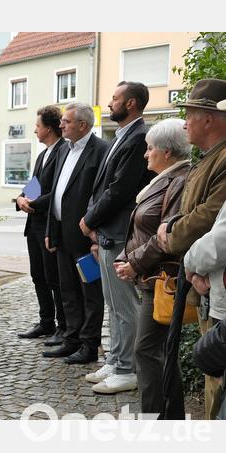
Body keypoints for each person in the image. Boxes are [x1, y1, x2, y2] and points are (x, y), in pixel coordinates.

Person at [157, 78, 226, 419]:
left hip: (214, 281)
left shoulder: (223, 159)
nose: (185, 121)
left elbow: (209, 220)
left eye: (190, 113)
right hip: (204, 278)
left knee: (216, 377)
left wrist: (173, 238)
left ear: (210, 118)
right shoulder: (210, 157)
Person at [112, 118, 190, 414]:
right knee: (157, 351)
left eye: (150, 148)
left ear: (166, 152)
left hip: (162, 278)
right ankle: (165, 418)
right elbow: (143, 230)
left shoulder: (179, 180)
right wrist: (125, 257)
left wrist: (132, 263)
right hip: (151, 276)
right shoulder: (164, 179)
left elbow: (165, 236)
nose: (146, 154)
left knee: (147, 350)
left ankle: (158, 421)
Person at [80, 82, 154, 393]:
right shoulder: (122, 135)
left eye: (115, 98)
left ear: (132, 103)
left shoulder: (139, 137)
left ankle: (128, 369)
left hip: (121, 232)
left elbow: (120, 190)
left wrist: (90, 219)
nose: (110, 103)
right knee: (113, 304)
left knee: (124, 306)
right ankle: (116, 359)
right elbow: (102, 188)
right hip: (107, 231)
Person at [43, 102, 108, 364]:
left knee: (90, 293)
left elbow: (102, 195)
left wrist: (95, 231)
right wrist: (51, 228)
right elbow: (55, 190)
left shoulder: (100, 150)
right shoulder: (60, 151)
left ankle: (89, 344)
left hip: (85, 237)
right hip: (61, 234)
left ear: (82, 125)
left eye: (66, 122)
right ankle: (71, 339)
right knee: (67, 290)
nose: (61, 125)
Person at [16, 106, 67, 343]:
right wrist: (20, 198)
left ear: (48, 128)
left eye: (37, 126)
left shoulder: (63, 152)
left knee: (53, 277)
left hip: (49, 224)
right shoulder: (43, 154)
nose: (35, 130)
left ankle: (62, 326)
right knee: (38, 275)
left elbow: (58, 191)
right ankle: (46, 322)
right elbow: (34, 185)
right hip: (33, 225)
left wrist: (33, 204)